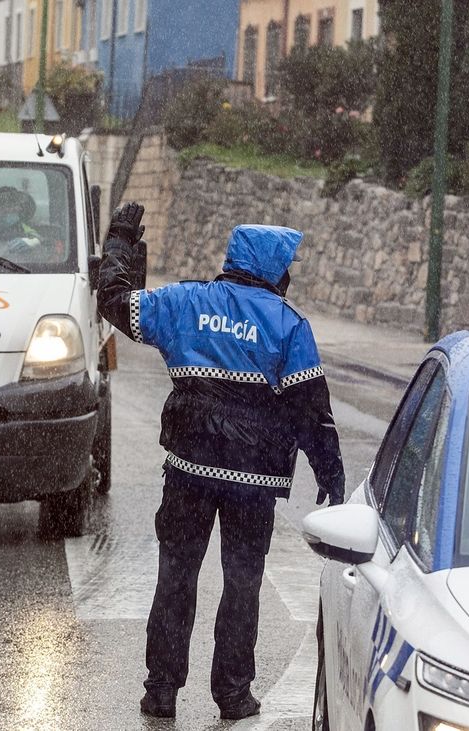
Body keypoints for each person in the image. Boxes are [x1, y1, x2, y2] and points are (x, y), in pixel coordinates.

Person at [97, 203, 345, 720]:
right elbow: (311, 411)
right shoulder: (287, 325)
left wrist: (120, 242)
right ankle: (233, 694)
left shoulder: (185, 303)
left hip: (188, 470)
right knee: (242, 583)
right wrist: (330, 473)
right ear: (275, 269)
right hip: (253, 485)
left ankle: (161, 690)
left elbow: (115, 301)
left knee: (176, 577)